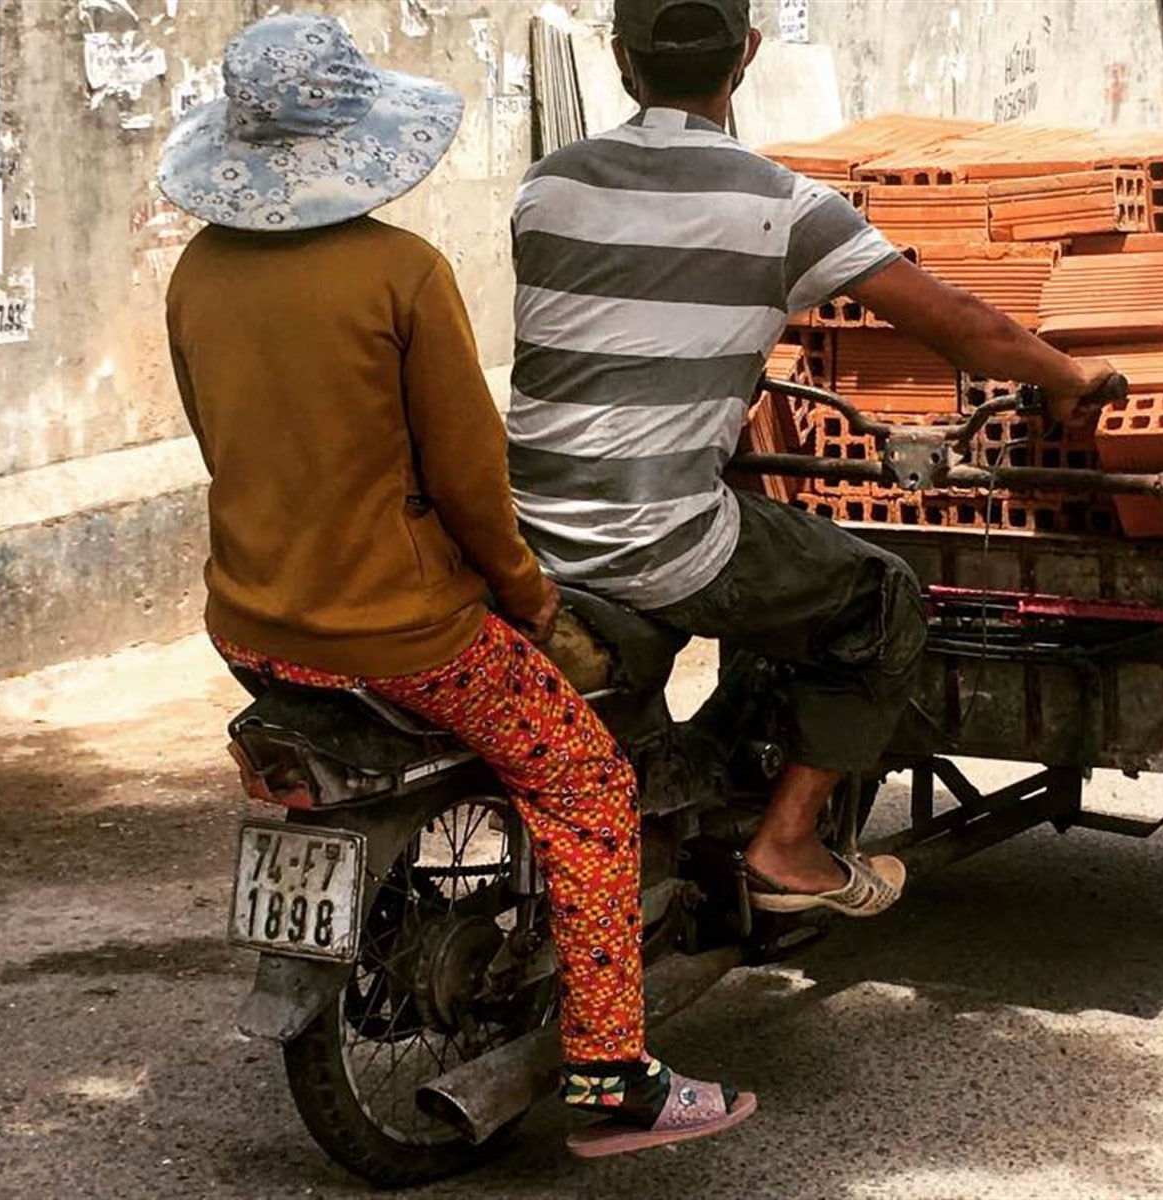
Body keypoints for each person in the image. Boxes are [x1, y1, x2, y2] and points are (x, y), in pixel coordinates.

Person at [158, 13, 753, 1158]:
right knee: (584, 787)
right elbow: (474, 485)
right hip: (405, 635)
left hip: (249, 626)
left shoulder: (196, 273)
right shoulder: (402, 273)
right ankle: (608, 1077)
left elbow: (216, 439)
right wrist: (527, 598)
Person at [507, 0, 1117, 915]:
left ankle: (685, 794)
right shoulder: (782, 207)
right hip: (658, 541)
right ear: (747, 55)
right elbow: (967, 328)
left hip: (527, 531)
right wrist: (1067, 375)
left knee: (766, 564)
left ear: (622, 60)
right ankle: (788, 843)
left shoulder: (545, 188)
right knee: (878, 599)